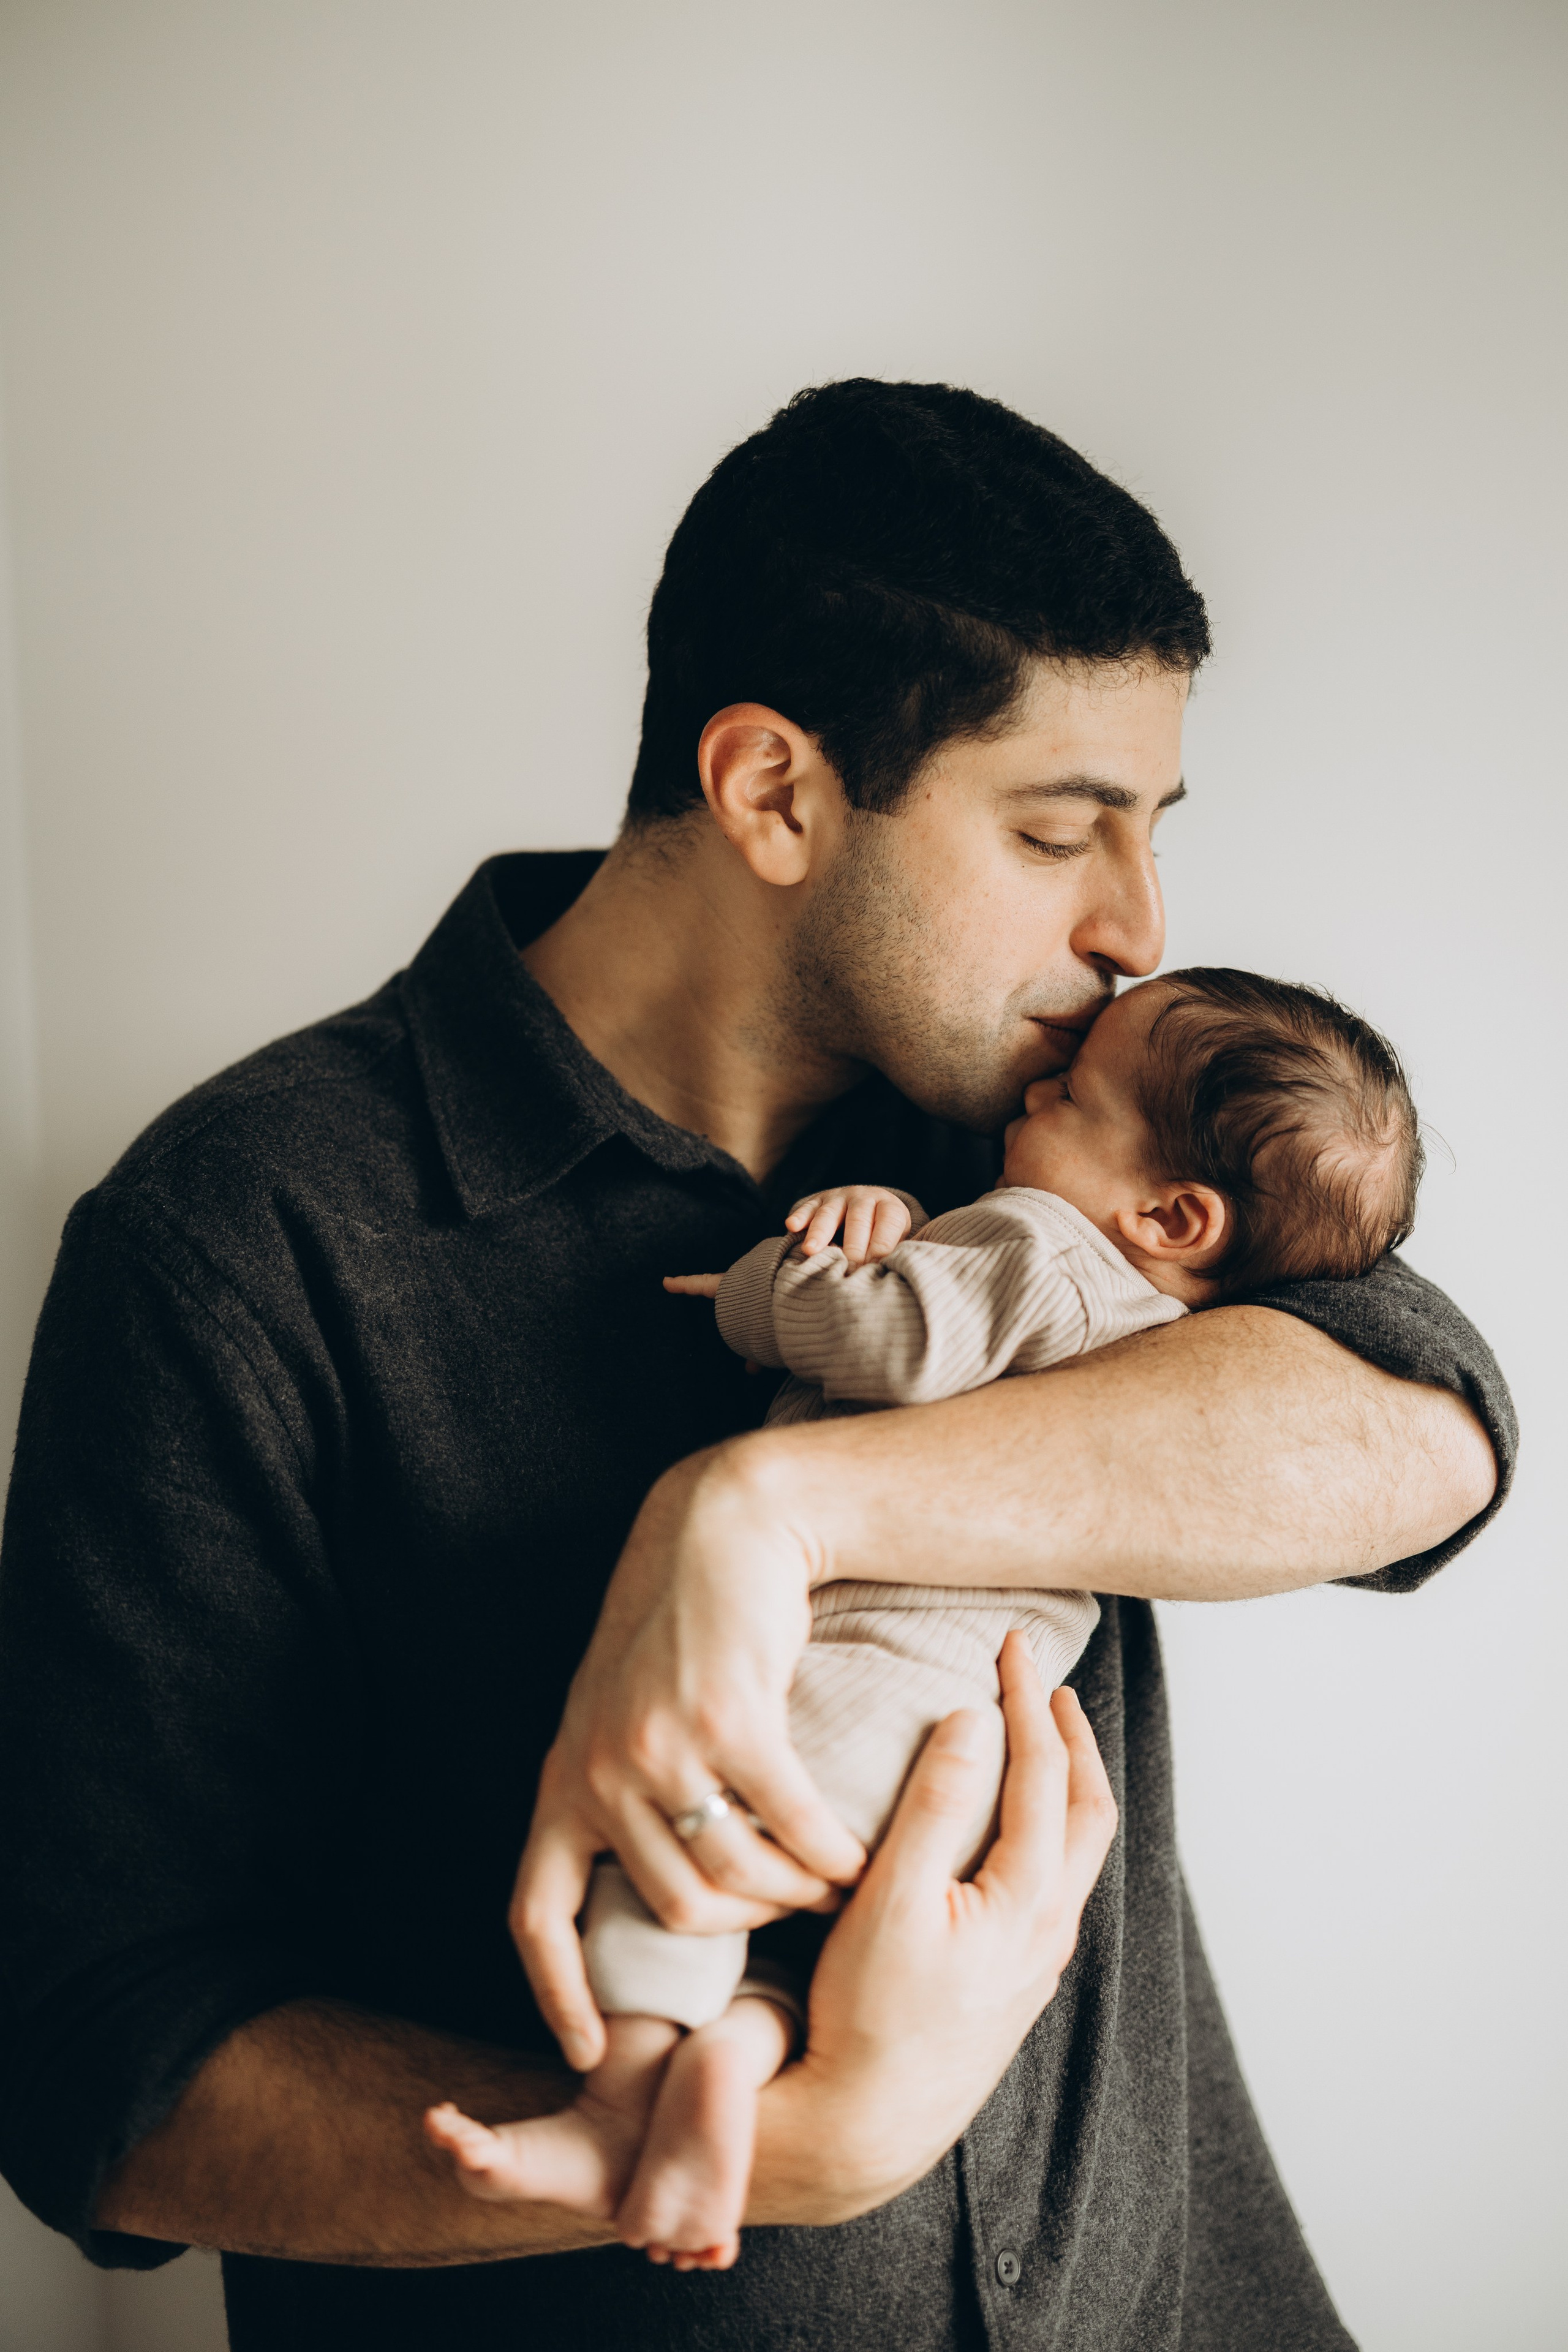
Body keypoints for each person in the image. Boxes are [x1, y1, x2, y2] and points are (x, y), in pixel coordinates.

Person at [0, 381, 1512, 2352]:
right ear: (774, 792)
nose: (1138, 931)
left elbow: (1422, 1428)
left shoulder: (1062, 1141)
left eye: (1154, 831)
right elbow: (97, 2067)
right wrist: (770, 2146)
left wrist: (767, 1507)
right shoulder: (237, 1239)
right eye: (1060, 831)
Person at [425, 967, 1428, 2272]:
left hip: (860, 1676)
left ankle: (612, 2113)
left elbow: (895, 1337)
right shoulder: (1164, 1329)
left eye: (1073, 1097)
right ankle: (725, 2069)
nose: (1037, 1088)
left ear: (1172, 1213)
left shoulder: (1043, 1238)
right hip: (949, 1743)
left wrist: (763, 1290)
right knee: (780, 1962)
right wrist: (901, 1218)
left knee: (664, 1850)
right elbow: (961, 1314)